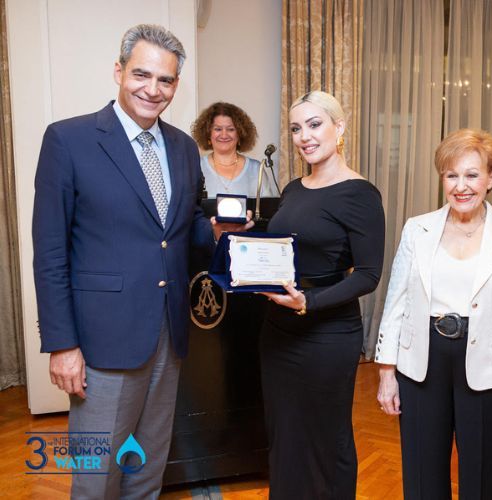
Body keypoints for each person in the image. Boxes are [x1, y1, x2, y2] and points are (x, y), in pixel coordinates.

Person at [32, 24, 251, 499]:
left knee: (148, 468)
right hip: (102, 343)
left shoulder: (182, 148)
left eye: (165, 80)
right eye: (141, 75)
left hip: (169, 336)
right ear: (119, 71)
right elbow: (49, 252)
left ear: (176, 85)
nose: (153, 89)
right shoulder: (68, 140)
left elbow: (182, 229)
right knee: (97, 478)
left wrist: (218, 232)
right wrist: (62, 344)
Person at [375, 128, 492, 499]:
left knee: (483, 477)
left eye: (472, 175)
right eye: (451, 175)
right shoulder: (417, 229)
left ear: (490, 178)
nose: (461, 186)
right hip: (421, 361)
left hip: (488, 366)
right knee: (422, 474)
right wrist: (386, 372)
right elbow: (396, 302)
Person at [258, 90, 385, 499]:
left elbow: (368, 275)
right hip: (278, 331)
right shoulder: (294, 188)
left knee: (326, 438)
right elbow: (283, 250)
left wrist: (309, 302)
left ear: (339, 127)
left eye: (314, 125)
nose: (304, 136)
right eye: (296, 128)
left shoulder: (360, 193)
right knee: (285, 435)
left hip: (327, 335)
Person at [191, 101, 277, 197]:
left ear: (240, 134)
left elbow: (268, 205)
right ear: (208, 133)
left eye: (230, 129)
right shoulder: (196, 167)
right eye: (218, 129)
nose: (224, 135)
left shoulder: (256, 170)